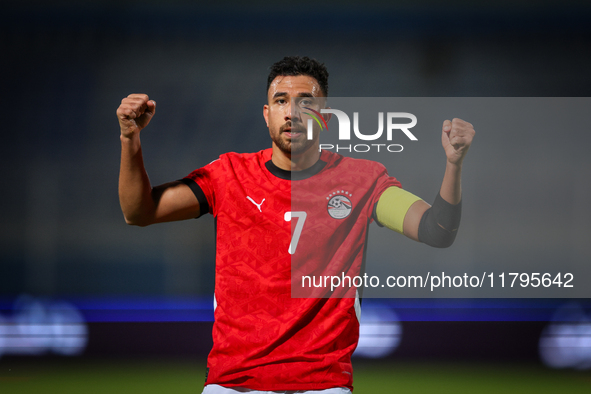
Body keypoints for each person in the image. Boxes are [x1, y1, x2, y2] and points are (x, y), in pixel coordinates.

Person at [117, 56, 475, 393]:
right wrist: (129, 138)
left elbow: (436, 230)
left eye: (306, 102)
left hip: (323, 383)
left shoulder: (363, 181)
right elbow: (139, 212)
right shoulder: (228, 175)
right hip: (233, 382)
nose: (292, 112)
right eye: (281, 101)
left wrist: (454, 164)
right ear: (266, 114)